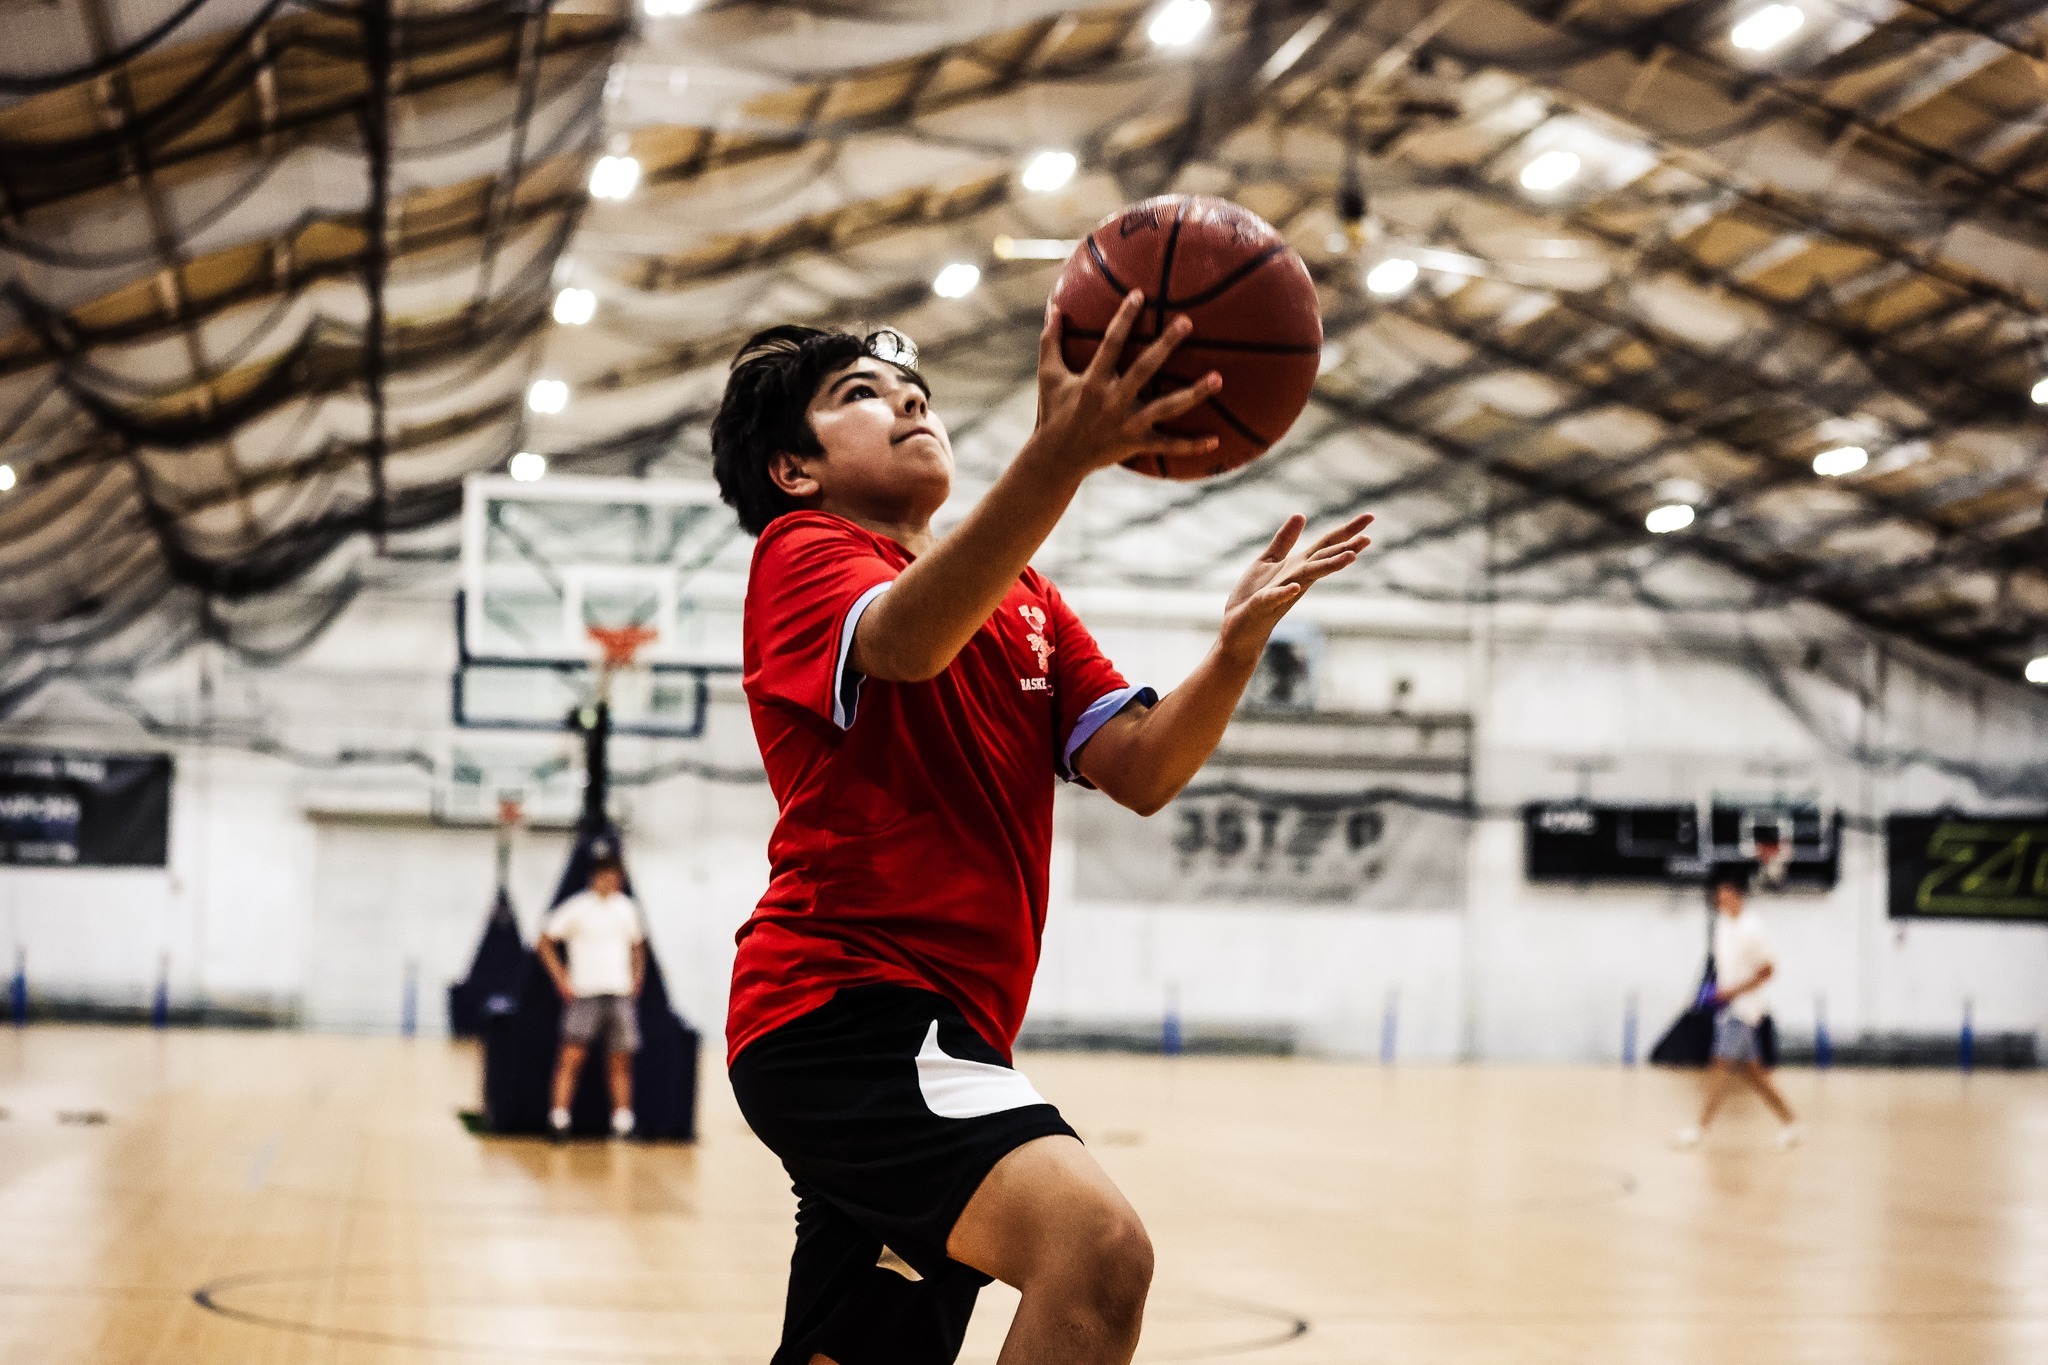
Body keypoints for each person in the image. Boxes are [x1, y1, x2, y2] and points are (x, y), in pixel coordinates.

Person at [712, 294, 1373, 1365]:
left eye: (913, 391)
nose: (906, 402)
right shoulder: (805, 552)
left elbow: (1144, 768)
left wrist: (1236, 649)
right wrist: (1057, 457)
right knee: (1098, 1251)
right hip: (845, 1010)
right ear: (794, 471)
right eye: (859, 395)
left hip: (948, 1023)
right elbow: (907, 645)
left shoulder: (1025, 595)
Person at [1675, 864, 1802, 1149]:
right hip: (1726, 1009)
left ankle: (1700, 1128)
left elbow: (1768, 970)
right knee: (1754, 1076)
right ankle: (1791, 1122)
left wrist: (1733, 992)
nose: (1718, 898)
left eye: (1722, 892)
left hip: (1744, 1010)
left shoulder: (1753, 927)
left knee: (1719, 1065)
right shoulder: (1722, 922)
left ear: (1735, 893)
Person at [537, 855, 646, 1139]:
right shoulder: (577, 907)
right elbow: (545, 941)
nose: (610, 881)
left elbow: (637, 947)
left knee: (620, 1060)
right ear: (594, 876)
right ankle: (559, 1119)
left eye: (615, 875)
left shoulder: (626, 909)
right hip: (585, 993)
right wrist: (561, 978)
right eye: (605, 875)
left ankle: (623, 1122)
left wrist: (636, 980)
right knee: (571, 1057)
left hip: (619, 993)